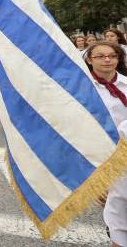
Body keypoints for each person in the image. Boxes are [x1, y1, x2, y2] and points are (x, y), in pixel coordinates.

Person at [84, 41, 127, 247]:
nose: (107, 60)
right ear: (89, 60)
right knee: (116, 219)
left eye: (112, 55)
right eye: (100, 56)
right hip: (103, 161)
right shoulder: (82, 90)